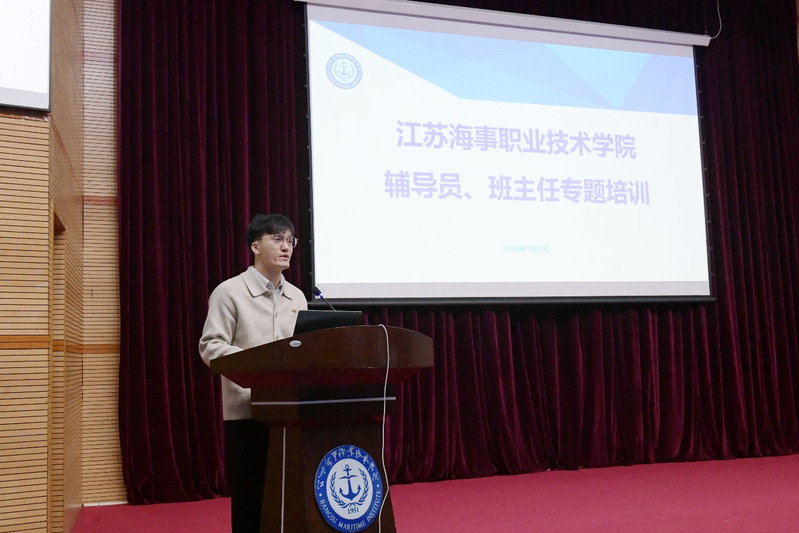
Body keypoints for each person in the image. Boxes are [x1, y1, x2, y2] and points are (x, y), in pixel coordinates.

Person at [199, 213, 308, 532]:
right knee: (251, 500)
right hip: (247, 412)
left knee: (290, 497)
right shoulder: (229, 292)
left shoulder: (298, 297)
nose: (286, 247)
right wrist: (258, 363)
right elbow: (210, 346)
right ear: (255, 246)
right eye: (277, 239)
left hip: (291, 411)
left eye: (290, 240)